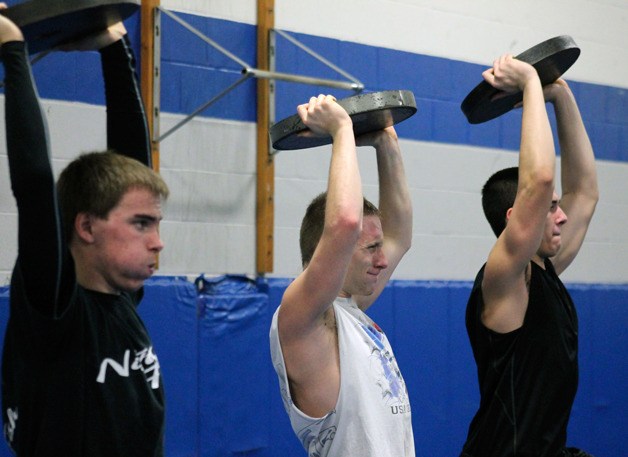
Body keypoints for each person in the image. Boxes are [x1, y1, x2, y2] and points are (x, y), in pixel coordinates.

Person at [0, 11, 169, 456]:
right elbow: (34, 184)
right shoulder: (53, 308)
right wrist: (12, 49)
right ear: (86, 226)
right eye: (141, 224)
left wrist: (115, 50)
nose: (157, 241)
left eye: (156, 223)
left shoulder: (121, 296)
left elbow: (133, 163)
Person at [460, 54, 598, 457]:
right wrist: (530, 83)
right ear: (516, 217)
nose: (562, 216)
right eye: (551, 208)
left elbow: (585, 192)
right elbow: (538, 181)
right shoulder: (504, 280)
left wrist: (561, 97)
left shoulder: (545, 269)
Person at [269, 94, 414, 456]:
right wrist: (340, 128)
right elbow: (345, 224)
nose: (383, 260)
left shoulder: (351, 309)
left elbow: (400, 235)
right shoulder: (302, 317)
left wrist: (385, 143)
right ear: (335, 249)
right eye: (371, 248)